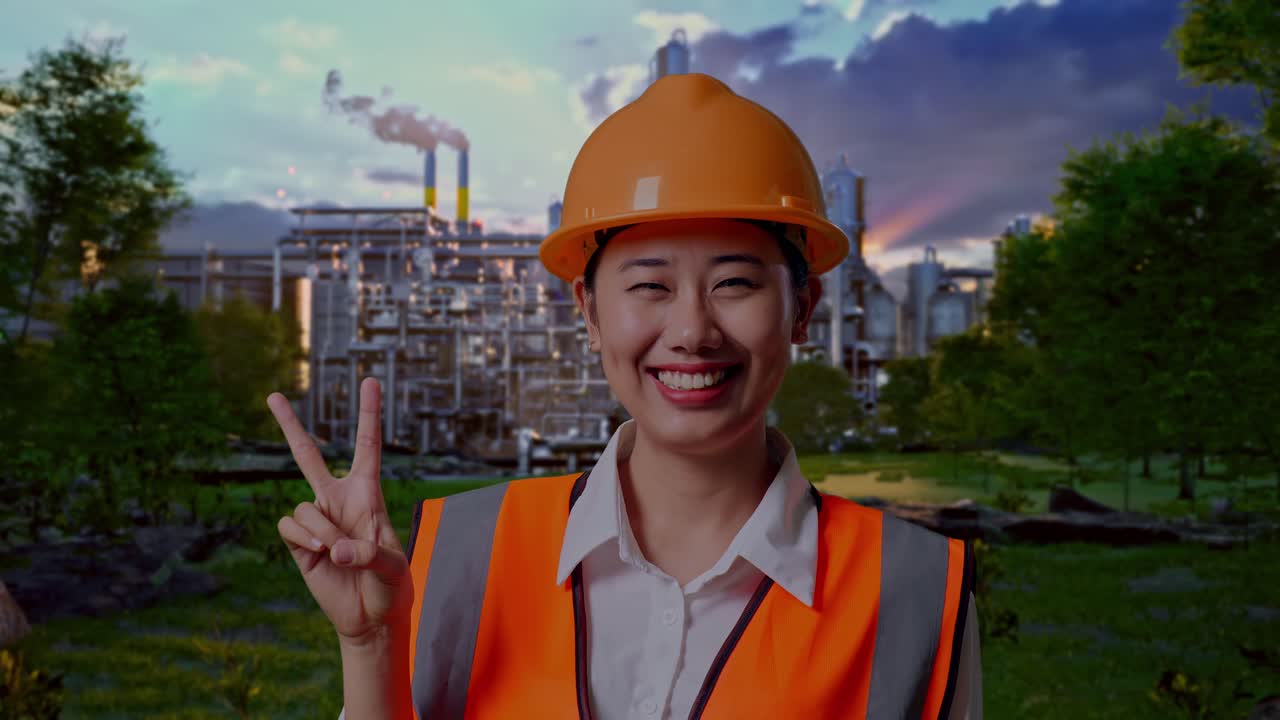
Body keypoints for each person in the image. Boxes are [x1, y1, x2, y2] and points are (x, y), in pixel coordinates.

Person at [269, 72, 981, 720]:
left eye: (735, 283)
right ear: (587, 309)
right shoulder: (455, 556)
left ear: (802, 308)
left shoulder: (916, 589)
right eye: (650, 286)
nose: (693, 331)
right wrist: (370, 651)